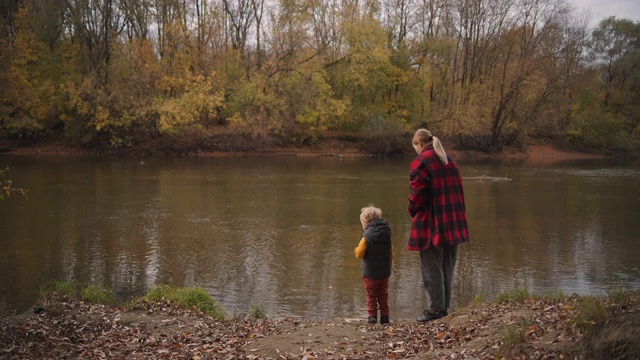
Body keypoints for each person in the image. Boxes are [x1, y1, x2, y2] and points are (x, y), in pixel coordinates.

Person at [407, 129, 469, 323]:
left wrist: (411, 210)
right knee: (446, 266)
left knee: (431, 267)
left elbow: (417, 196)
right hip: (454, 221)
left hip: (432, 222)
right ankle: (442, 307)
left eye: (415, 147)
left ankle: (435, 309)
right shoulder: (448, 159)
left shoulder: (421, 161)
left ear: (418, 143)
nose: (416, 150)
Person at [354, 205, 393, 324]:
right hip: (385, 272)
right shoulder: (387, 232)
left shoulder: (366, 237)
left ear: (366, 222)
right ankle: (385, 317)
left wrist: (355, 250)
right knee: (383, 294)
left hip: (371, 273)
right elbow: (391, 252)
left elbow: (360, 254)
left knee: (371, 295)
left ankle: (372, 317)